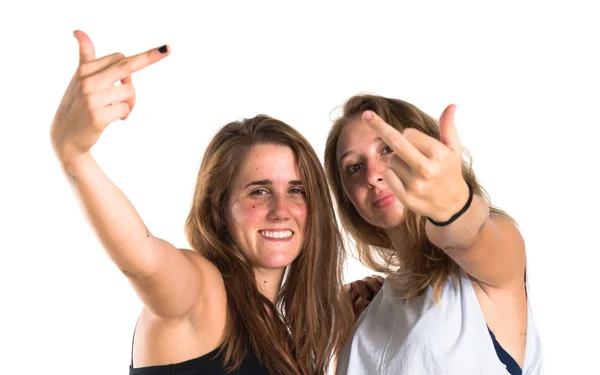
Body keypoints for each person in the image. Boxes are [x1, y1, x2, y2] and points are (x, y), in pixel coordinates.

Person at [50, 30, 376, 375]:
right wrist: (74, 154)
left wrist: (346, 331)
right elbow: (143, 259)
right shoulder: (203, 290)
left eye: (297, 190)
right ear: (219, 209)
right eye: (259, 191)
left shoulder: (273, 330)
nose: (281, 210)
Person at [324, 94, 543, 374]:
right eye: (355, 167)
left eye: (388, 149)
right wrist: (342, 334)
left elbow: (470, 234)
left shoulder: (488, 263)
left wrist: (454, 208)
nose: (372, 175)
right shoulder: (367, 314)